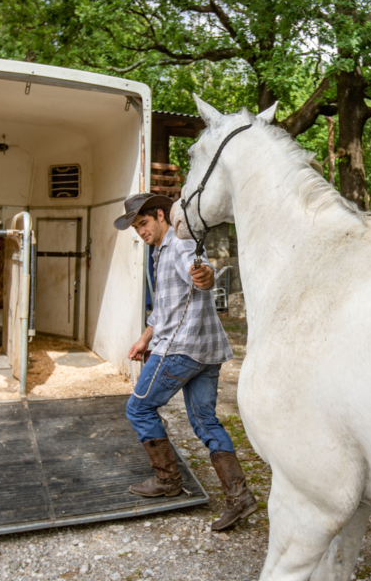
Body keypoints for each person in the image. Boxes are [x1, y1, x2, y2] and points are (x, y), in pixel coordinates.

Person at [113, 192, 257, 531]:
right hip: (207, 351)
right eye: (136, 228)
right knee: (205, 421)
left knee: (138, 409)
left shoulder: (178, 244)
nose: (141, 232)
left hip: (181, 349)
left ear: (161, 216)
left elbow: (202, 271)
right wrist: (144, 338)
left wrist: (205, 275)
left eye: (144, 224)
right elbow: (165, 309)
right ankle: (239, 497)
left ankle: (167, 480)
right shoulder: (159, 250)